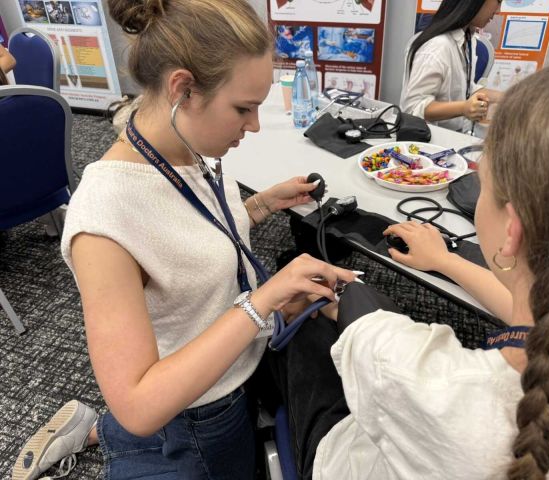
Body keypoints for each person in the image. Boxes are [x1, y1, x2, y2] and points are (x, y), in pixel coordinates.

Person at [12, 1, 354, 479]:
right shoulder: (105, 217)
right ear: (182, 89)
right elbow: (138, 404)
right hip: (197, 414)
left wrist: (260, 205)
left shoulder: (184, 149)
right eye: (244, 108)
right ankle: (115, 440)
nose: (254, 125)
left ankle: (96, 430)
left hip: (236, 367)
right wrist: (264, 300)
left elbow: (185, 242)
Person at [275, 53, 549, 479]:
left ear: (512, 231)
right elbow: (540, 309)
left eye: (482, 186)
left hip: (350, 460)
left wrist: (353, 306)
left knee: (307, 330)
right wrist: (445, 261)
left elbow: (371, 340)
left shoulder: (420, 376)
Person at [400, 0, 503, 133]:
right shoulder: (437, 47)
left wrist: (508, 98)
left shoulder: (468, 38)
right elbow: (413, 108)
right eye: (498, 1)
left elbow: (465, 89)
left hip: (455, 133)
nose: (498, 10)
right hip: (430, 137)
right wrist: (463, 108)